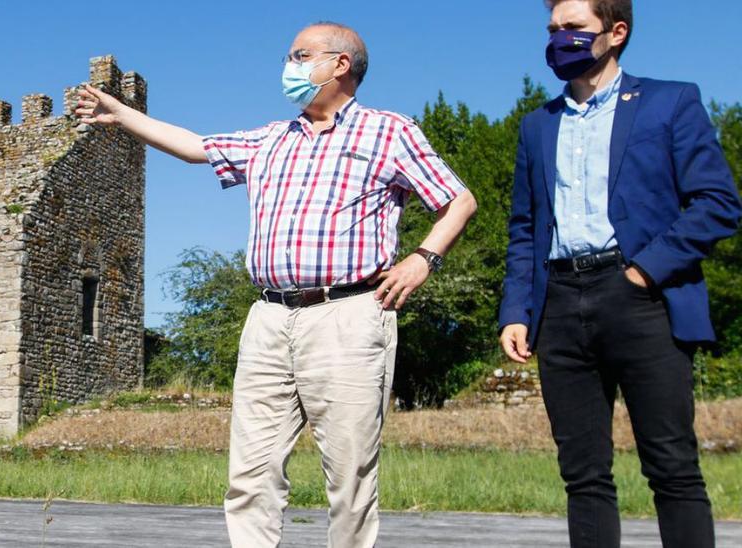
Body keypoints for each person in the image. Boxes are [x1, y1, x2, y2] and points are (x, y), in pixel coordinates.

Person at [76, 21, 476, 548]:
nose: (289, 66)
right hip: (267, 317)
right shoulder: (271, 139)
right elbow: (196, 147)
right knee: (251, 472)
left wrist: (423, 259)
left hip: (348, 314)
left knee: (350, 475)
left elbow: (458, 200)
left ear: (340, 64)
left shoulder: (388, 132)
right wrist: (124, 116)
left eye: (300, 55)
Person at [498, 1, 741, 546]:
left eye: (574, 29)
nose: (560, 38)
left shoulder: (670, 102)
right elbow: (524, 225)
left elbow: (717, 203)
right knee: (582, 475)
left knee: (672, 466)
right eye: (554, 30)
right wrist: (516, 309)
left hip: (641, 299)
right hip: (558, 305)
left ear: (616, 31)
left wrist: (645, 271)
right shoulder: (538, 124)